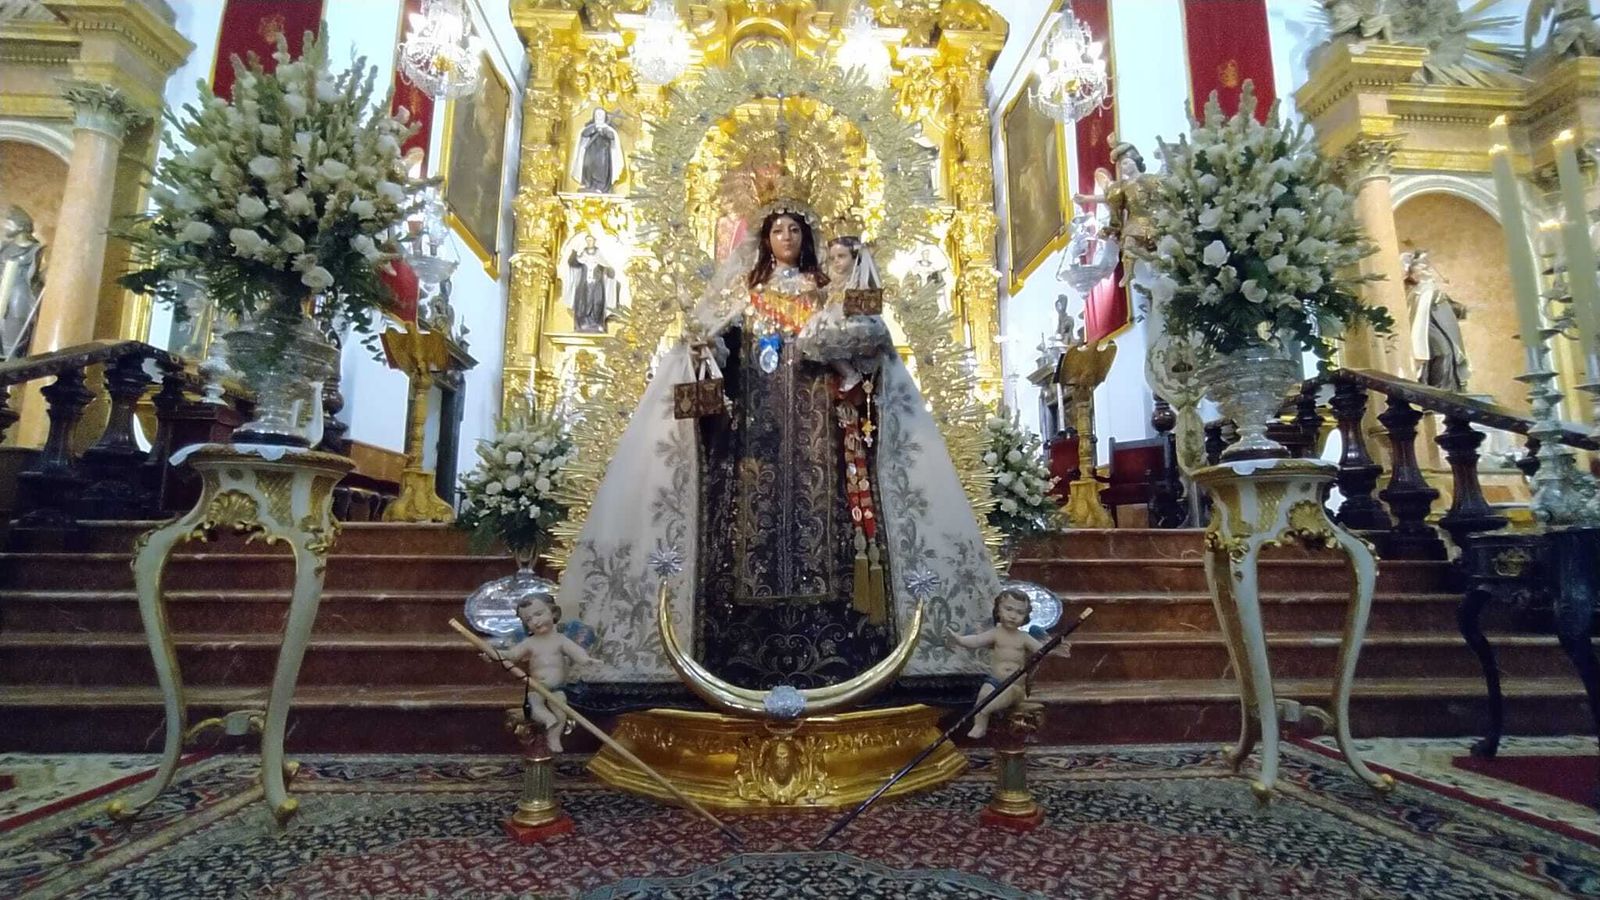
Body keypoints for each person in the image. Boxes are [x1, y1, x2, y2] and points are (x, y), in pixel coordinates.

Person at [555, 198, 997, 704]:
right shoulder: (744, 293)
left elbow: (871, 347)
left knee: (829, 526)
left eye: (794, 230)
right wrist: (705, 346)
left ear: (807, 239)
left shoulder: (829, 291)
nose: (785, 238)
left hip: (823, 435)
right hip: (754, 439)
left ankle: (848, 648)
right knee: (747, 530)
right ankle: (731, 648)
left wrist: (848, 346)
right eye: (777, 230)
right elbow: (724, 350)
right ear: (764, 238)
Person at [944, 588, 1070, 739]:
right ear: (998, 610)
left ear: (1026, 616)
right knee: (983, 693)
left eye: (1019, 612)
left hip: (1014, 685)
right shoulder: (995, 633)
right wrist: (959, 640)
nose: (1013, 615)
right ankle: (980, 724)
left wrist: (1055, 647)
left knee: (993, 702)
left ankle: (985, 711)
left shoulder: (1024, 637)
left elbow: (1041, 650)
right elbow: (976, 641)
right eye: (1008, 609)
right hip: (995, 680)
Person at [496, 595, 594, 753]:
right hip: (538, 686)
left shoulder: (560, 640)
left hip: (557, 688)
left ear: (553, 613)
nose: (535, 621)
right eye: (528, 620)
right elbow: (513, 655)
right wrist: (495, 654)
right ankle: (547, 719)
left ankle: (554, 737)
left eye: (538, 614)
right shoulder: (530, 643)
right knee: (535, 705)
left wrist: (586, 660)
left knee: (561, 715)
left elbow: (575, 652)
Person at [1403, 251, 1470, 392]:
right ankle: (1438, 390)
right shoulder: (1417, 292)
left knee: (1449, 353)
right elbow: (1417, 312)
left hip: (1438, 325)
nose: (1425, 269)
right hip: (1426, 326)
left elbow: (1449, 308)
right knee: (1442, 352)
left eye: (1425, 266)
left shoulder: (1431, 289)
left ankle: (1446, 390)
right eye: (1420, 266)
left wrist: (1455, 307)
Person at [0, 206, 45, 360]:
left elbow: (41, 276)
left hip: (20, 297)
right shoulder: (3, 247)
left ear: (20, 226)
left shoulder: (36, 250)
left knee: (12, 335)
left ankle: (9, 367)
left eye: (9, 223)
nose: (5, 226)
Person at [565, 234, 618, 332]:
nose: (590, 242)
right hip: (584, 285)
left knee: (597, 303)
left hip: (597, 285)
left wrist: (609, 270)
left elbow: (608, 269)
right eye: (588, 240)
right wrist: (574, 252)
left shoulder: (600, 256)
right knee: (582, 303)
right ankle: (582, 324)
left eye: (591, 240)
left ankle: (597, 323)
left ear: (594, 241)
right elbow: (573, 263)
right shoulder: (582, 256)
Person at [571, 108, 624, 193]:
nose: (599, 117)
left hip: (603, 153)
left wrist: (604, 132)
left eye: (601, 115)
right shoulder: (590, 127)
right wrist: (594, 129)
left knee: (601, 169)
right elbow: (584, 134)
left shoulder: (608, 129)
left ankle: (601, 186)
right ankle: (589, 185)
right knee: (588, 168)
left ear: (604, 117)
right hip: (590, 152)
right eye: (597, 115)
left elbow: (612, 137)